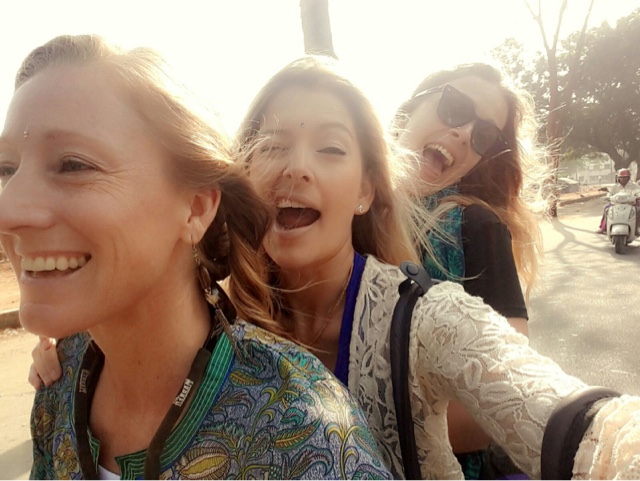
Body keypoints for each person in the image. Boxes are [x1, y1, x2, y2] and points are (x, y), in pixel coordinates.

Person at [30, 54, 640, 479]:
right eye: (271, 144)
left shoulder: (423, 320)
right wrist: (84, 347)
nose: (296, 167)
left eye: (330, 148)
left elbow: (575, 420)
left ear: (365, 190)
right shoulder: (207, 314)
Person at [0, 35, 391, 480]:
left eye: (73, 165)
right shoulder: (58, 384)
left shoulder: (302, 431)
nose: (8, 211)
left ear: (196, 208)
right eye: (6, 169)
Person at [390, 63, 548, 478]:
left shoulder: (476, 229)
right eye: (455, 107)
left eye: (483, 135)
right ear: (411, 107)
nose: (463, 133)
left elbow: (500, 408)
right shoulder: (334, 211)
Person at [597, 168, 640, 234]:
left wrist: (637, 197)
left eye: (625, 177)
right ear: (618, 178)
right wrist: (608, 197)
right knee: (607, 209)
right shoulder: (614, 187)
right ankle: (603, 227)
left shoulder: (634, 186)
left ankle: (637, 228)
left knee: (638, 210)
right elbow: (610, 194)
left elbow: (638, 193)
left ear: (628, 178)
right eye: (621, 177)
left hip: (631, 204)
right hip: (616, 204)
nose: (623, 179)